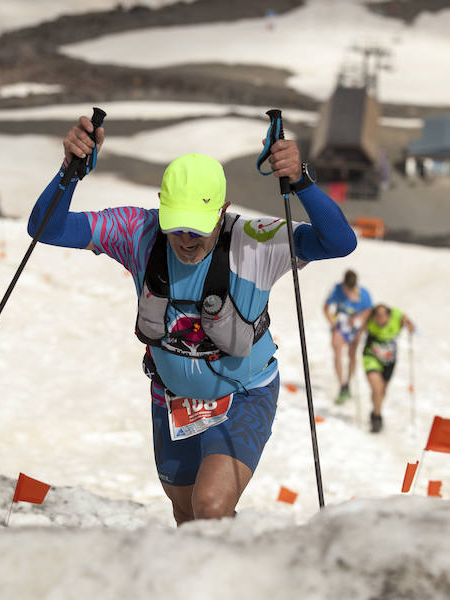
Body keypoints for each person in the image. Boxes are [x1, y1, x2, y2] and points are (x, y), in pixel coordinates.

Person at [27, 114, 356, 525]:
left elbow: (340, 243)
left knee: (211, 506)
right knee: (186, 515)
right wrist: (69, 172)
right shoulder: (138, 231)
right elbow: (45, 228)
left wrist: (302, 182)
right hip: (172, 397)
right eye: (176, 225)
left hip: (243, 393)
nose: (185, 238)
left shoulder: (255, 241)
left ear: (223, 210)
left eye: (197, 227)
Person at [353, 303, 415, 433]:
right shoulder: (369, 319)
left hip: (389, 361)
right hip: (371, 358)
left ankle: (376, 410)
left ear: (389, 315)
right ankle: (377, 418)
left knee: (382, 392)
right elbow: (358, 331)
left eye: (382, 315)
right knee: (377, 388)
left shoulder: (397, 315)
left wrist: (409, 325)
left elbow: (412, 326)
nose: (379, 318)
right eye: (377, 315)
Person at [323, 270, 372, 404]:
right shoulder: (337, 290)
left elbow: (369, 312)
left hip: (355, 327)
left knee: (352, 355)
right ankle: (342, 385)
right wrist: (332, 324)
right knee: (337, 352)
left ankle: (348, 382)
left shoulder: (364, 294)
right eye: (346, 288)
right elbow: (326, 307)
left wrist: (360, 329)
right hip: (340, 325)